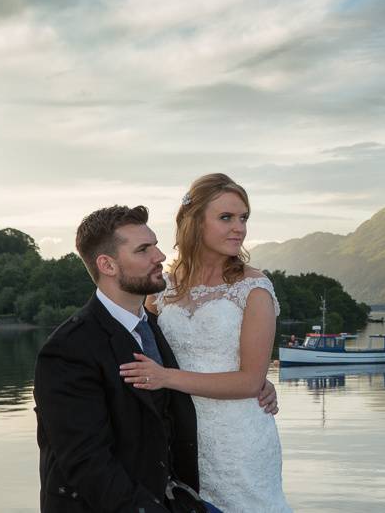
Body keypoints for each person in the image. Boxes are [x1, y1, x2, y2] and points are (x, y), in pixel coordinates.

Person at [33, 205, 278, 512]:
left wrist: (254, 382)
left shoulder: (155, 326)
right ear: (107, 265)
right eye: (143, 250)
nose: (160, 256)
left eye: (156, 245)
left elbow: (190, 376)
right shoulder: (68, 350)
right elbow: (88, 465)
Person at [119, 174, 291, 512]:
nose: (239, 227)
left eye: (243, 218)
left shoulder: (254, 289)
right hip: (179, 434)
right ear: (195, 222)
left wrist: (166, 377)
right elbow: (136, 347)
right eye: (226, 217)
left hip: (239, 437)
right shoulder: (162, 288)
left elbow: (249, 381)